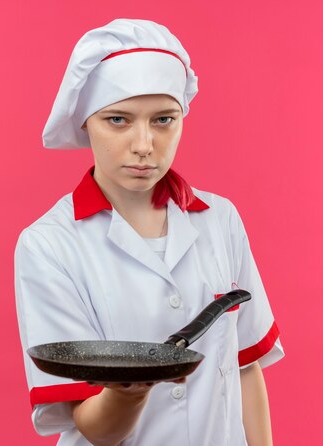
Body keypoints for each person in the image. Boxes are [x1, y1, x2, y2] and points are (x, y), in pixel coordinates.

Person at [15, 18, 284, 446]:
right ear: (86, 123)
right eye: (118, 120)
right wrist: (133, 388)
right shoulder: (49, 245)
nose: (144, 144)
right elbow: (94, 428)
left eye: (163, 120)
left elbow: (245, 366)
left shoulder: (221, 219)